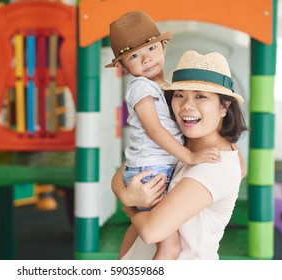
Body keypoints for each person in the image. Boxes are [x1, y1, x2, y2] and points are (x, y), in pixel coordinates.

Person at [105, 11, 221, 260]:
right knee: (170, 245)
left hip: (154, 167)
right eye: (133, 56)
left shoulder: (166, 87)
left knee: (137, 229)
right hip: (151, 170)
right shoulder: (140, 87)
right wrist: (190, 156)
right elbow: (154, 130)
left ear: (163, 46)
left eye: (150, 49)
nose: (145, 60)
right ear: (123, 67)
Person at [112, 50, 248, 260]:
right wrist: (126, 195)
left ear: (224, 106)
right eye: (179, 95)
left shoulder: (215, 165)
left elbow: (151, 231)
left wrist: (130, 208)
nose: (187, 106)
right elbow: (123, 171)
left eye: (201, 96)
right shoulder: (179, 143)